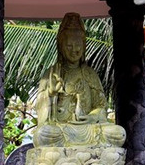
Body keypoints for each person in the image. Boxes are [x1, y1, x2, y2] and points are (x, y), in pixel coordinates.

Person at [34, 13, 125, 148]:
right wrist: (50, 93)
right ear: (61, 46)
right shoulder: (52, 74)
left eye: (78, 45)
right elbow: (40, 108)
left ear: (84, 46)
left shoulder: (89, 74)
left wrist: (92, 117)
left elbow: (101, 106)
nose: (74, 50)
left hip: (88, 128)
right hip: (61, 129)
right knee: (44, 134)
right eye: (69, 46)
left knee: (118, 133)